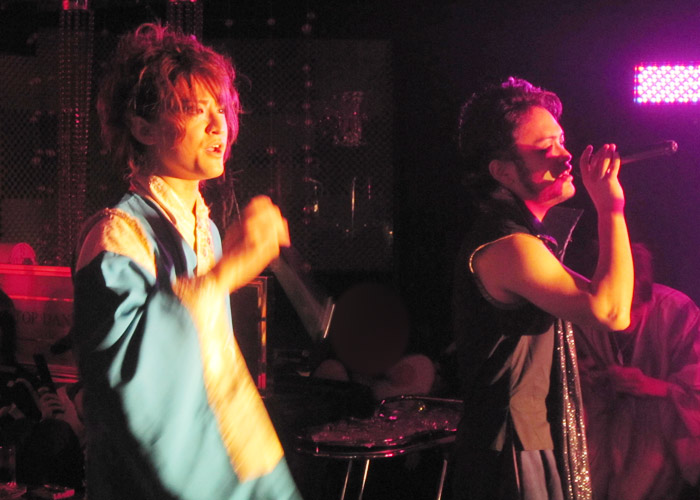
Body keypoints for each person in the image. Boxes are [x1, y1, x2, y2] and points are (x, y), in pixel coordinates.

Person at [71, 23, 302, 500]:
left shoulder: (206, 230)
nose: (219, 125)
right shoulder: (116, 236)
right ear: (142, 127)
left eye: (221, 109)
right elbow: (132, 379)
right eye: (196, 110)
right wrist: (228, 272)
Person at [451, 77, 634, 500]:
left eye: (562, 141)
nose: (566, 156)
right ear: (502, 171)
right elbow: (611, 312)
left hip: (523, 442)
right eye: (545, 148)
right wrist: (610, 208)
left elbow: (608, 303)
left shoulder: (523, 240)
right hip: (509, 453)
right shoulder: (509, 246)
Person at [575, 243, 700, 500]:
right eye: (613, 308)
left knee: (631, 491)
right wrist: (584, 373)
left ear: (647, 298)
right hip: (601, 418)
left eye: (634, 308)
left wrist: (652, 386)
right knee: (584, 484)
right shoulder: (579, 311)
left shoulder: (677, 311)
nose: (625, 321)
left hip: (658, 422)